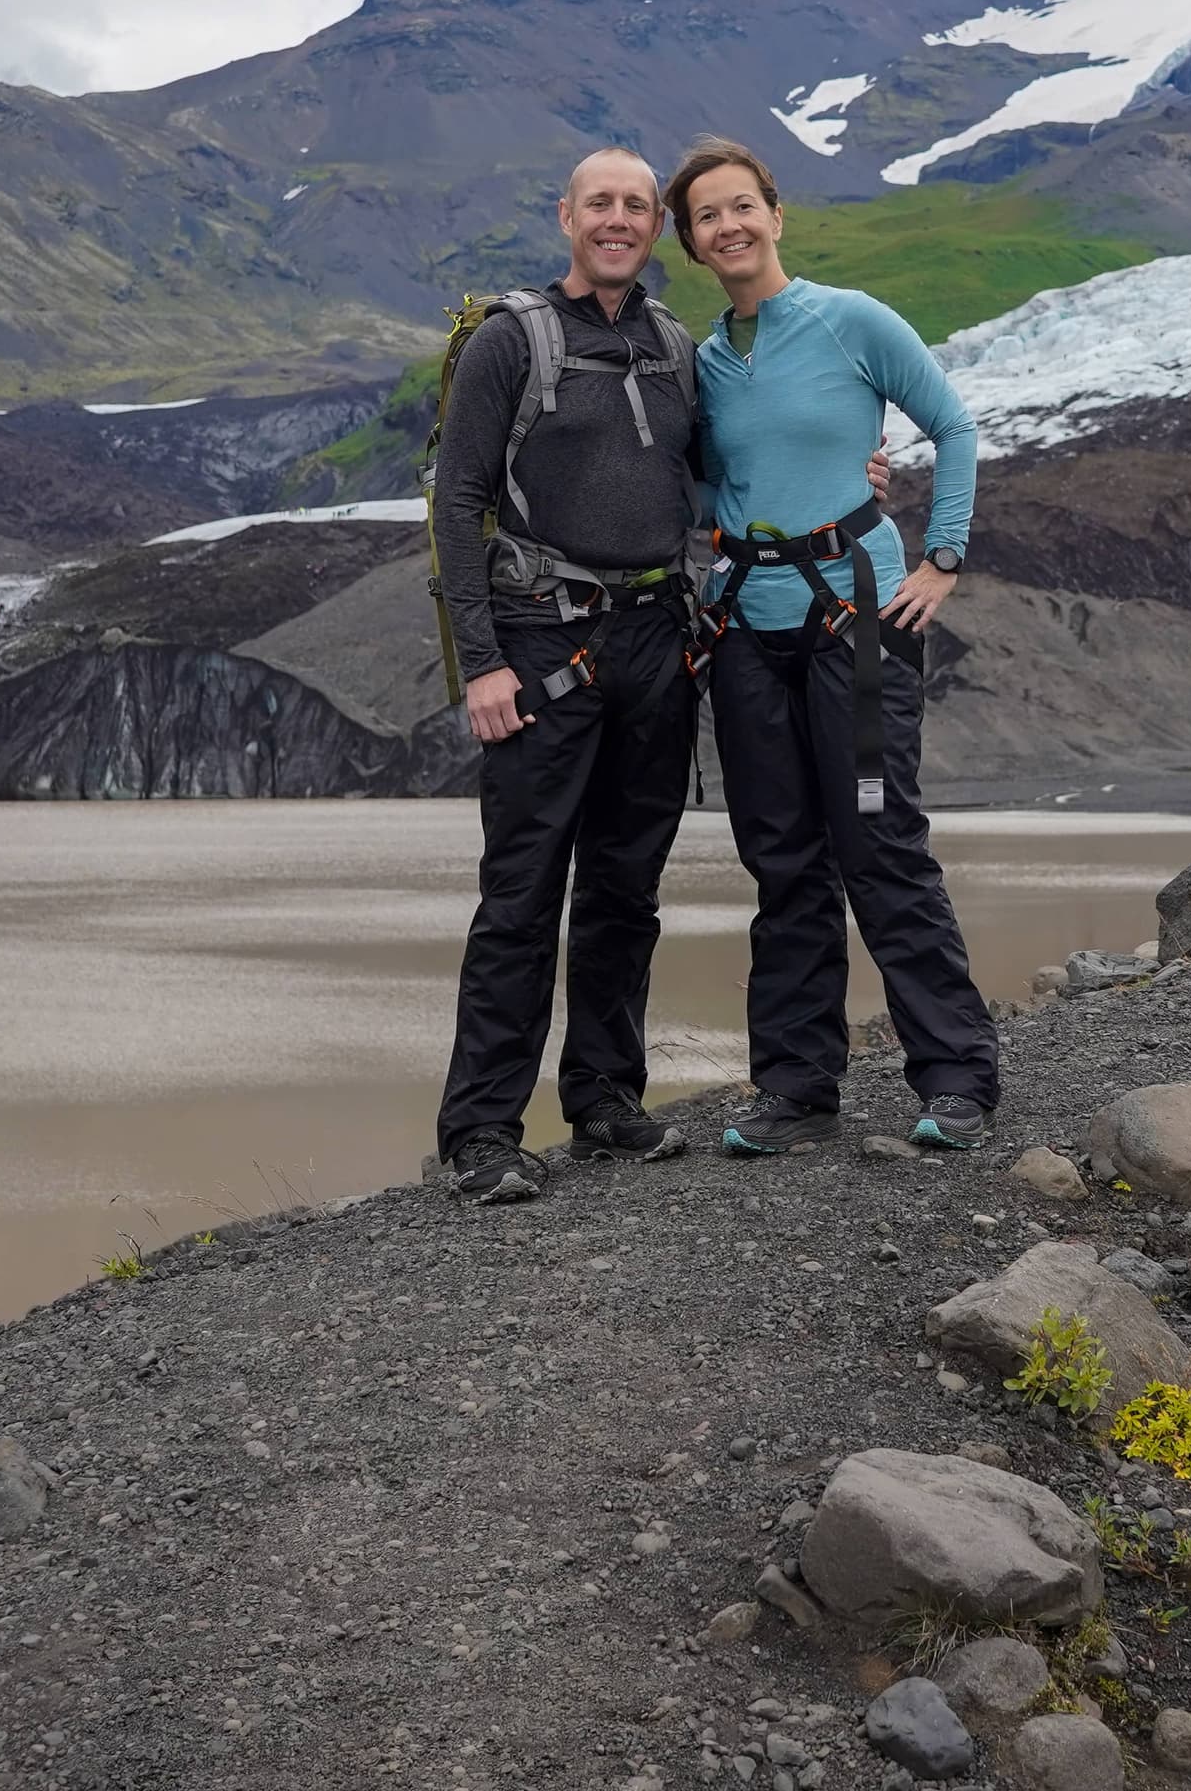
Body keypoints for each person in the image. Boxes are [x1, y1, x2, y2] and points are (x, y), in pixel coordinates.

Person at [664, 135, 1000, 1156]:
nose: (729, 226)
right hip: (746, 633)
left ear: (775, 213)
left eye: (742, 206)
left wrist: (942, 558)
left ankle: (957, 1075)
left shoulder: (851, 320)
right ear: (691, 243)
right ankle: (798, 1089)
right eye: (707, 216)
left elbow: (954, 426)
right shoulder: (704, 365)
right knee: (783, 860)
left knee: (878, 842)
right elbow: (712, 485)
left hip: (855, 624)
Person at [426, 148, 706, 1205]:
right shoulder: (512, 339)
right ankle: (482, 1131)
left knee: (627, 888)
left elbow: (711, 478)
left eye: (637, 205)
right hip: (544, 644)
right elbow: (458, 503)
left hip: (657, 644)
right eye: (601, 204)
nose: (618, 219)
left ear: (655, 225)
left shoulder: (674, 346)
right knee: (523, 892)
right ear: (567, 217)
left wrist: (851, 468)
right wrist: (483, 663)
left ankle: (604, 1098)